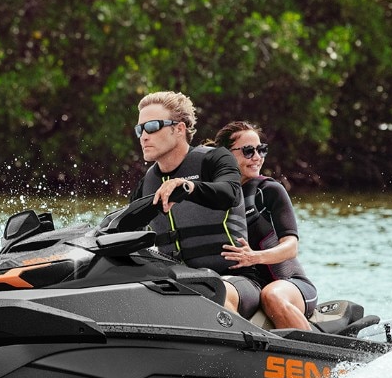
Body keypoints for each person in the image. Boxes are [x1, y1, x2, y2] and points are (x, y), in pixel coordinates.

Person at [130, 92, 261, 319]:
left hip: (235, 280)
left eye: (151, 126)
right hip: (181, 283)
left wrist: (188, 187)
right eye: (140, 129)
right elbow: (124, 229)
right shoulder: (147, 183)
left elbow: (230, 192)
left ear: (179, 129)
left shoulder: (215, 159)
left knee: (212, 291)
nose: (144, 136)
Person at [213, 121, 317, 331]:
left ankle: (313, 356)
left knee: (271, 295)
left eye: (261, 150)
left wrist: (254, 257)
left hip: (289, 284)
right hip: (247, 288)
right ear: (224, 155)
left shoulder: (269, 190)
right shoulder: (212, 195)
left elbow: (291, 247)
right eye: (248, 151)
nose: (257, 157)